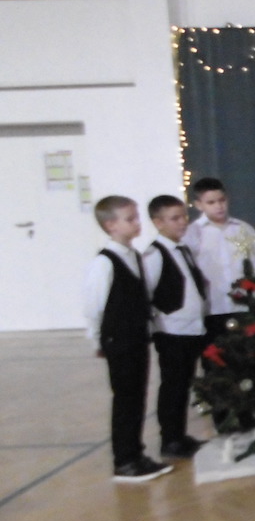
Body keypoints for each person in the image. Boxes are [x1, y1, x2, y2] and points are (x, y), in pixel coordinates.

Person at [84, 196, 173, 483]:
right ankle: (124, 461)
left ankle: (136, 454)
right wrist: (97, 340)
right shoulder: (104, 262)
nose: (137, 223)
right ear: (111, 225)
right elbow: (94, 306)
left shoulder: (133, 255)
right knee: (125, 399)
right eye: (130, 219)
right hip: (119, 339)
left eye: (136, 217)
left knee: (136, 397)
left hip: (136, 338)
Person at [142, 194, 208, 460]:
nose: (182, 222)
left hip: (191, 329)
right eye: (174, 218)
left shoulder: (182, 249)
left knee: (183, 385)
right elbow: (146, 293)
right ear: (158, 222)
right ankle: (170, 439)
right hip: (172, 331)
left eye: (184, 216)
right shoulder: (154, 255)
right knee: (173, 386)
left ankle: (179, 435)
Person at [184, 176, 255, 341]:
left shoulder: (243, 228)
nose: (218, 206)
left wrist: (248, 287)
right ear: (199, 205)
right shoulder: (192, 233)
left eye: (222, 200)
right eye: (211, 202)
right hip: (211, 307)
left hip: (242, 306)